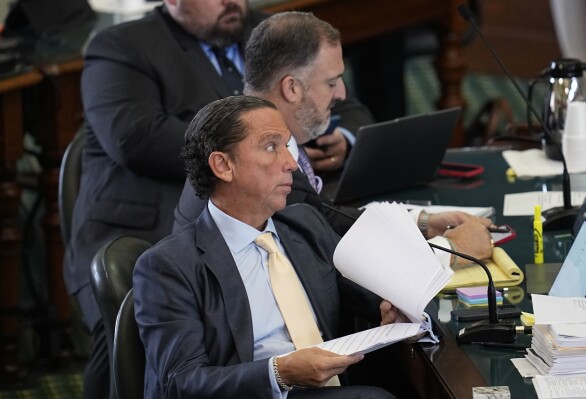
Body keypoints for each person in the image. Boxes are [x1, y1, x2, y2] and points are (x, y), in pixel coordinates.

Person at [64, 2, 372, 398]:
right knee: (145, 341)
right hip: (147, 224)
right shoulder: (121, 46)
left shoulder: (262, 33)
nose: (234, 2)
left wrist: (337, 137)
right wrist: (241, 144)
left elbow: (344, 99)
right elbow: (135, 139)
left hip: (250, 208)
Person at [173, 11, 495, 266]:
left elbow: (327, 218)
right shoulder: (261, 167)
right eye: (331, 82)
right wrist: (451, 249)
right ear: (291, 88)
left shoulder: (272, 144)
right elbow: (338, 258)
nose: (341, 94)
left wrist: (423, 223)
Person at [134, 95, 404, 398]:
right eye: (271, 147)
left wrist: (388, 308)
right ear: (223, 165)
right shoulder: (168, 266)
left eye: (287, 146)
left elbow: (363, 295)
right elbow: (180, 382)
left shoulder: (305, 223)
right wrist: (279, 372)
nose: (290, 164)